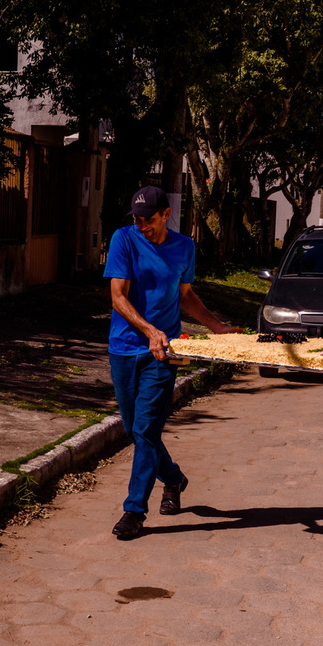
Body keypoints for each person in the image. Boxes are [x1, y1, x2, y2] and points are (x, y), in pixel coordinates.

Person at [104, 185, 239, 540]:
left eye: (147, 219)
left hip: (164, 353)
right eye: (137, 219)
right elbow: (118, 296)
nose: (142, 225)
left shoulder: (184, 247)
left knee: (146, 430)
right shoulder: (124, 239)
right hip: (124, 348)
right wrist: (149, 329)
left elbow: (186, 295)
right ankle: (175, 479)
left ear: (166, 214)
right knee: (137, 431)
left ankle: (134, 511)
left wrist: (217, 327)